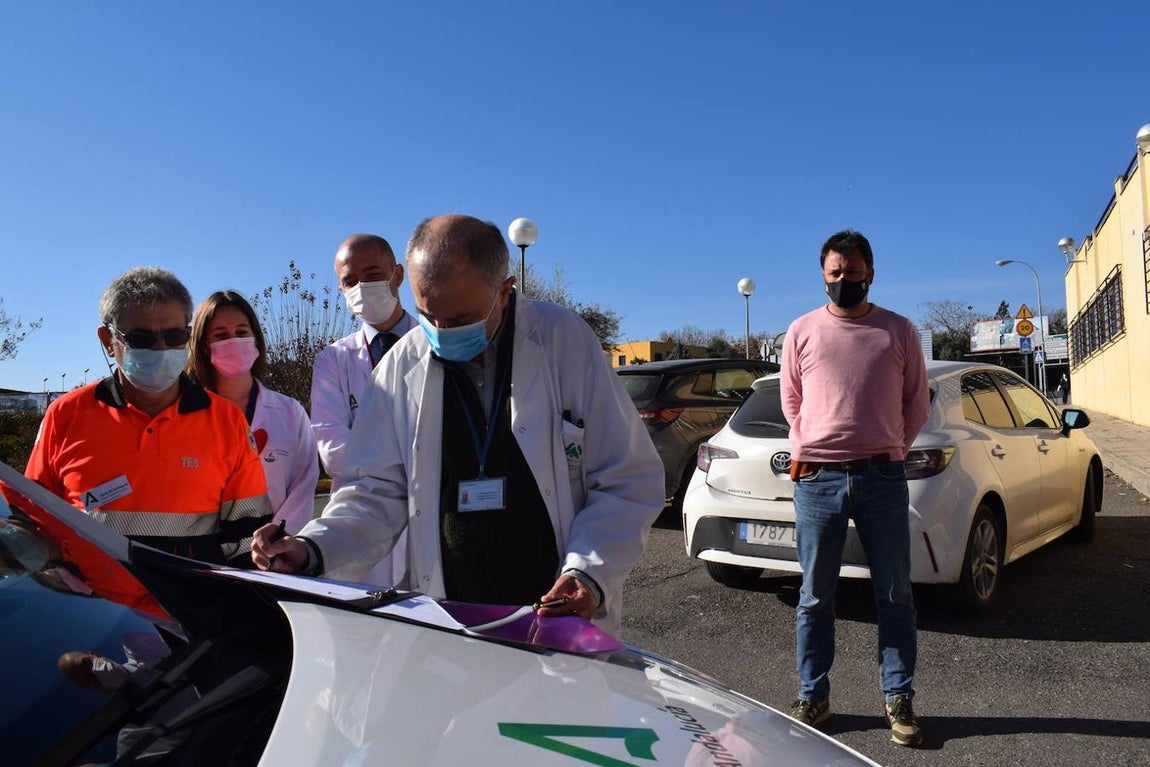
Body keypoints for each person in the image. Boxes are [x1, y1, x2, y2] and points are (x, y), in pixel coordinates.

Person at [253, 214, 663, 636]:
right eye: (427, 315)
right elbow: (373, 492)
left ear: (505, 290)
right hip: (451, 620)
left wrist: (588, 574)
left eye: (460, 319)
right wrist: (313, 547)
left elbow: (625, 479)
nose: (440, 333)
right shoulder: (400, 366)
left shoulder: (564, 341)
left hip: (556, 612)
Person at [780, 230, 930, 747]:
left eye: (853, 271)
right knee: (816, 595)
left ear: (871, 272)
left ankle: (899, 697)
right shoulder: (801, 331)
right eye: (835, 273)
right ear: (824, 276)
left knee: (895, 593)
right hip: (818, 478)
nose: (845, 280)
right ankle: (813, 693)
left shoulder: (898, 330)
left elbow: (917, 404)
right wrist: (811, 446)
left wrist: (892, 446)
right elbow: (792, 402)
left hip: (882, 476)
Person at [25, 266, 272, 566]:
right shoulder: (66, 414)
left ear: (189, 336)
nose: (161, 348)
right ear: (107, 339)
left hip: (189, 606)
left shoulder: (226, 421)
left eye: (174, 336)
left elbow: (247, 540)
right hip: (91, 607)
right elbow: (31, 521)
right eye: (141, 338)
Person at [310, 233, 418, 586]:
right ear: (341, 290)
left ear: (398, 275)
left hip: (426, 520)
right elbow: (333, 452)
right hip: (355, 526)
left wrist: (372, 452)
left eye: (373, 274)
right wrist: (412, 455)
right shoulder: (332, 361)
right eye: (350, 280)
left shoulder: (435, 345)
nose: (362, 286)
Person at [187, 290, 319, 534]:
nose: (233, 341)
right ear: (204, 346)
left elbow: (304, 483)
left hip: (277, 555)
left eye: (241, 332)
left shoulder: (290, 412)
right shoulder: (185, 416)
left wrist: (277, 540)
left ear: (255, 338)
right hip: (207, 555)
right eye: (220, 335)